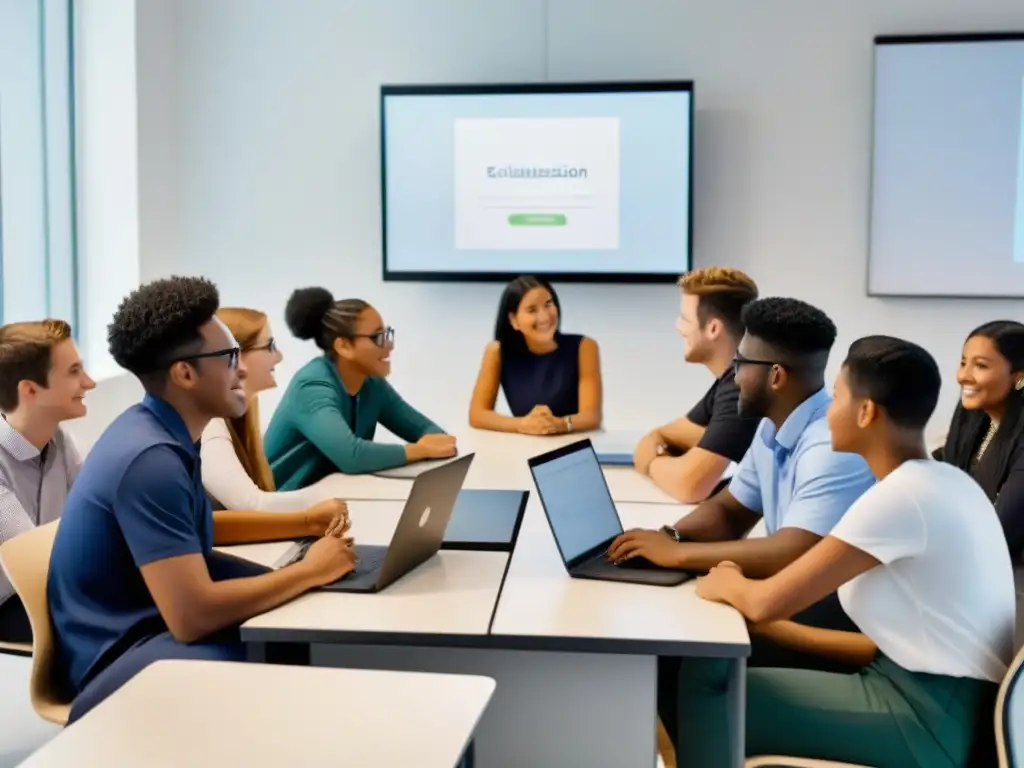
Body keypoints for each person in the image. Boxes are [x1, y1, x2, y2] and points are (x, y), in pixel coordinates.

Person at [689, 336, 1014, 767]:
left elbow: (766, 602)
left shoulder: (902, 496)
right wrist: (769, 626)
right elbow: (885, 645)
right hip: (926, 697)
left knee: (710, 686)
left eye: (836, 398)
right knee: (721, 669)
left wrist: (728, 579)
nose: (827, 412)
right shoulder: (942, 482)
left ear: (866, 412)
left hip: (928, 723)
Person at [47, 277, 356, 722]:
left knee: (296, 620)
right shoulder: (149, 458)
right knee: (286, 639)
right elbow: (191, 617)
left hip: (150, 623)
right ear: (185, 374)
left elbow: (186, 528)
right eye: (230, 357)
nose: (243, 369)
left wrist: (306, 522)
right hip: (117, 657)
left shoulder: (166, 431)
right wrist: (310, 569)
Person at [265, 287, 454, 488]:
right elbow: (351, 456)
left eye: (387, 333)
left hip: (325, 501)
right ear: (344, 346)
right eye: (377, 337)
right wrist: (422, 450)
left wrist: (435, 443)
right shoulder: (312, 387)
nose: (390, 345)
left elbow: (429, 432)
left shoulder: (371, 383)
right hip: (277, 508)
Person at [0, 319, 94, 642]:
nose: (89, 382)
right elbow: (36, 561)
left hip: (47, 595)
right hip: (11, 606)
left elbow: (99, 524)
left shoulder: (60, 441)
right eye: (74, 372)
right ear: (29, 389)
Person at [633, 267, 762, 502]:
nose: (678, 326)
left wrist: (652, 461)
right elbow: (666, 434)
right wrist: (666, 449)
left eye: (684, 318)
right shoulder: (733, 376)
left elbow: (689, 486)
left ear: (713, 329)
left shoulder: (745, 385)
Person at [201, 307, 340, 511]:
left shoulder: (240, 416)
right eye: (270, 346)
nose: (279, 356)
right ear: (236, 355)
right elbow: (250, 505)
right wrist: (327, 498)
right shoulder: (209, 427)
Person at [935, 320, 1024, 561]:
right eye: (964, 363)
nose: (964, 376)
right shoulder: (974, 425)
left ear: (1018, 377)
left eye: (980, 366)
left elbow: (998, 531)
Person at [469, 275, 602, 435]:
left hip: (575, 444)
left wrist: (559, 424)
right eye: (532, 310)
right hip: (526, 445)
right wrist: (523, 424)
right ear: (513, 320)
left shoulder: (584, 346)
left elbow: (592, 416)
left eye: (548, 304)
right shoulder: (497, 351)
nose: (544, 316)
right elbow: (477, 414)